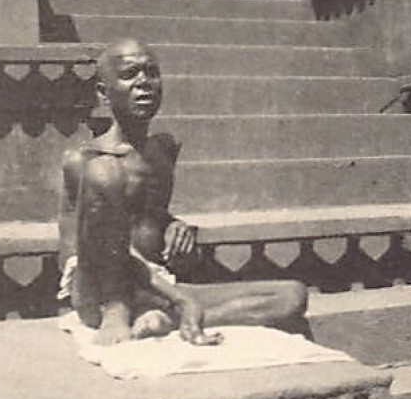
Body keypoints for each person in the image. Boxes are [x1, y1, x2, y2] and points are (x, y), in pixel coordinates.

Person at [57, 37, 308, 346]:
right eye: (130, 74)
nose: (144, 82)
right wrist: (181, 299)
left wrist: (175, 224)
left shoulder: (162, 150)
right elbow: (92, 247)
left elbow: (146, 215)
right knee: (105, 170)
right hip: (101, 288)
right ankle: (122, 313)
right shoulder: (85, 160)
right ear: (103, 92)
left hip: (154, 284)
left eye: (151, 72)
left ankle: (164, 321)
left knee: (292, 296)